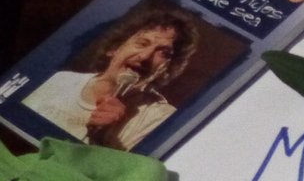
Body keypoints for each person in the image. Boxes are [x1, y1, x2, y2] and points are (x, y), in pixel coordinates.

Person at [23, 8, 200, 151]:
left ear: (166, 69)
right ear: (114, 48)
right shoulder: (60, 80)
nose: (145, 56)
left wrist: (103, 140)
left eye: (163, 53)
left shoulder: (159, 117)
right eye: (142, 43)